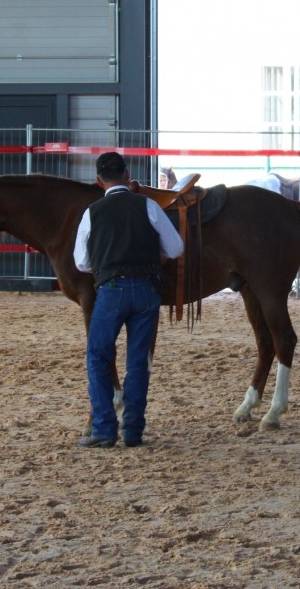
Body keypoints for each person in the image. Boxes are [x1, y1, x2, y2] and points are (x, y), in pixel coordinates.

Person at [73, 152, 185, 448]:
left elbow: (81, 263)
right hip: (147, 291)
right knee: (138, 362)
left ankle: (104, 430)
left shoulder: (91, 212)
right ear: (126, 175)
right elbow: (175, 249)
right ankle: (133, 431)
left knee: (98, 357)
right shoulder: (147, 204)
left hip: (110, 291)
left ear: (99, 181)